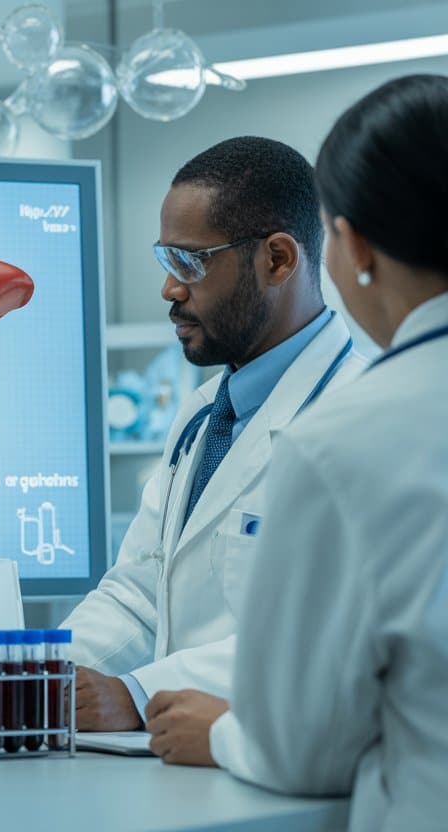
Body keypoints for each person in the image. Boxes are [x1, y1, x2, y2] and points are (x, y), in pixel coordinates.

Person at [145, 74, 448, 829]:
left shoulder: (350, 433)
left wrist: (219, 729)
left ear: (349, 247)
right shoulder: (217, 419)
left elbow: (303, 743)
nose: (168, 289)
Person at [61, 136, 367, 730]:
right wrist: (37, 671)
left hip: (282, 777)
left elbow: (329, 633)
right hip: (180, 766)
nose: (170, 290)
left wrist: (135, 693)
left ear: (278, 260)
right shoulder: (206, 414)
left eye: (190, 263)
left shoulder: (357, 418)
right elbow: (139, 594)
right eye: (165, 261)